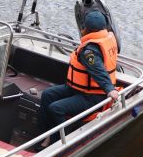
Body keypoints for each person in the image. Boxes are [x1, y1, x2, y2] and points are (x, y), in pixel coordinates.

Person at [36, 11, 121, 146]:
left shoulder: (89, 51)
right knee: (47, 94)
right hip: (78, 89)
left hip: (92, 96)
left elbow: (98, 70)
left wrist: (110, 89)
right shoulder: (107, 37)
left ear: (85, 29)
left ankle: (57, 143)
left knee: (56, 108)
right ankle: (43, 135)